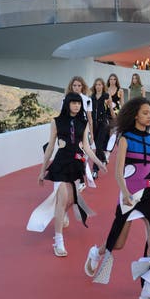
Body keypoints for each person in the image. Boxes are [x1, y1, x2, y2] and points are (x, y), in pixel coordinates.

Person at [83, 98, 150, 299]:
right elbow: (118, 172)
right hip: (129, 195)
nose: (149, 116)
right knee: (118, 243)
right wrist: (125, 192)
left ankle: (148, 291)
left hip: (149, 194)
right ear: (135, 115)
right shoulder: (125, 139)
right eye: (145, 113)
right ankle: (96, 252)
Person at [38, 92, 107, 257]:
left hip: (76, 165)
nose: (76, 105)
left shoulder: (83, 123)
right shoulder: (56, 122)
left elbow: (87, 148)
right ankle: (59, 241)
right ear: (67, 104)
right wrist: (42, 170)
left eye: (78, 103)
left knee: (70, 199)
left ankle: (62, 215)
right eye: (73, 103)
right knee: (62, 198)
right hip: (61, 164)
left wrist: (98, 162)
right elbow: (50, 147)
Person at [90, 78, 114, 179]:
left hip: (103, 124)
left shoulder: (106, 96)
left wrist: (115, 119)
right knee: (98, 147)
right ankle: (104, 158)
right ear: (94, 86)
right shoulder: (91, 97)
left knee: (98, 147)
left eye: (100, 84)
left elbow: (111, 110)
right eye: (96, 85)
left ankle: (95, 170)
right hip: (94, 125)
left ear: (103, 86)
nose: (98, 86)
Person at [65, 77, 94, 149]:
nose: (76, 88)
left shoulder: (87, 100)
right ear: (71, 86)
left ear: (82, 87)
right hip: (69, 128)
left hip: (83, 129)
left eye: (79, 85)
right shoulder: (65, 99)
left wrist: (92, 134)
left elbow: (89, 118)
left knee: (85, 151)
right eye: (74, 85)